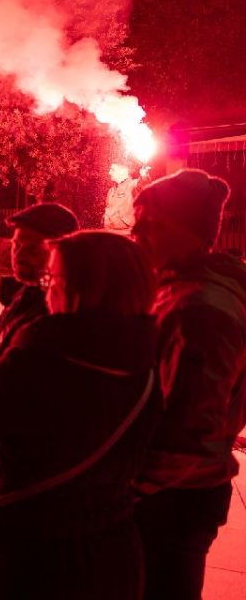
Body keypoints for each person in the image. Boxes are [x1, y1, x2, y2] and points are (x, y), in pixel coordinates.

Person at [0, 231, 161, 600]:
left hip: (31, 552)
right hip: (112, 547)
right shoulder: (148, 359)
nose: (46, 289)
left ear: (82, 287)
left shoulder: (45, 350)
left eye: (53, 278)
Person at [130, 169, 246, 600]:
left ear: (185, 229)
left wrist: (119, 493)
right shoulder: (188, 286)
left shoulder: (200, 310)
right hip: (175, 497)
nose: (135, 233)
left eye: (148, 224)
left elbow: (188, 436)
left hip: (170, 501)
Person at [0, 203, 79, 372]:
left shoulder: (58, 314)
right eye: (16, 245)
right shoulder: (23, 294)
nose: (19, 255)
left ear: (61, 253)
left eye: (32, 249)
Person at [104, 163, 151, 234]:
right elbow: (108, 211)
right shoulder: (111, 191)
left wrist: (144, 175)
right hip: (111, 233)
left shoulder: (132, 185)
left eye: (112, 169)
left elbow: (144, 185)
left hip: (127, 234)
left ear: (123, 171)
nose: (109, 172)